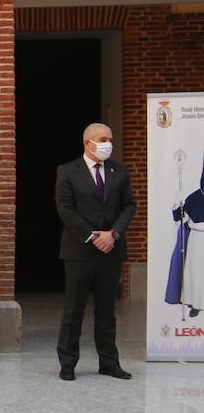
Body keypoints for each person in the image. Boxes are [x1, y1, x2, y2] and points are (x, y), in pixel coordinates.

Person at [54, 123, 135, 380]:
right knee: (73, 310)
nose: (108, 143)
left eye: (110, 139)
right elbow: (65, 208)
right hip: (80, 250)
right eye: (103, 139)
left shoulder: (118, 170)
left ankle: (109, 362)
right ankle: (68, 363)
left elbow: (128, 206)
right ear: (88, 143)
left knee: (106, 311)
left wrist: (113, 234)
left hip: (111, 248)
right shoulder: (67, 171)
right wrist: (91, 236)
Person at [166, 152, 204, 317]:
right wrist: (178, 206)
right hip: (198, 239)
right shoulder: (195, 197)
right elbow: (181, 219)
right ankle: (195, 303)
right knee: (196, 272)